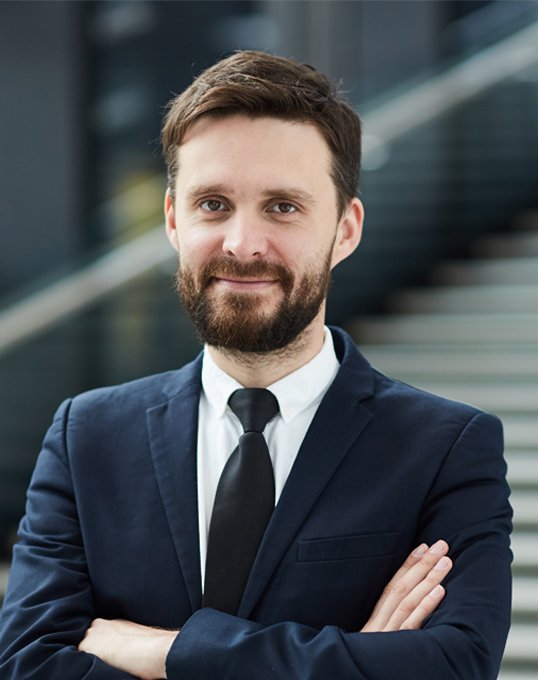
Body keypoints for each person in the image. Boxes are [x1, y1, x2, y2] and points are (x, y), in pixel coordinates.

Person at [0, 51, 511, 679]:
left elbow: (455, 665)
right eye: (214, 204)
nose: (242, 244)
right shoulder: (87, 436)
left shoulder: (445, 448)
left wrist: (169, 652)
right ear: (173, 220)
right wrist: (355, 661)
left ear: (346, 230)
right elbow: (26, 664)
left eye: (283, 207)